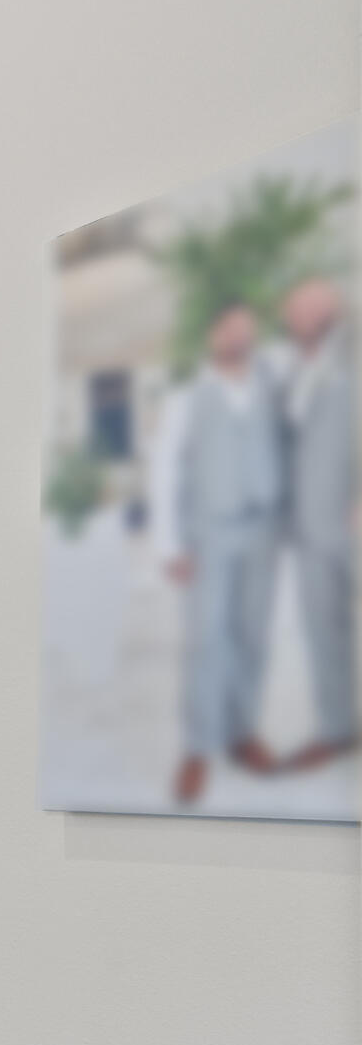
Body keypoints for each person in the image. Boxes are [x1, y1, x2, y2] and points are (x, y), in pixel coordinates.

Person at [163, 302, 287, 806]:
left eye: (247, 330)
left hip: (262, 528)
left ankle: (242, 732)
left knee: (252, 637)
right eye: (231, 329)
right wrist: (170, 544)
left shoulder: (270, 388)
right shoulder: (185, 396)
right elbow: (166, 469)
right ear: (213, 334)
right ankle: (198, 748)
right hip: (209, 532)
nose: (240, 337)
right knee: (205, 640)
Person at [274, 273, 356, 768]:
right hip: (308, 529)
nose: (298, 317)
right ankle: (337, 727)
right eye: (293, 310)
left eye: (307, 307)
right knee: (323, 631)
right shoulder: (290, 370)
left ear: (332, 307)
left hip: (352, 518)